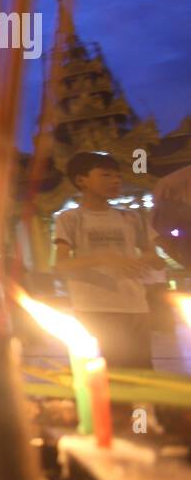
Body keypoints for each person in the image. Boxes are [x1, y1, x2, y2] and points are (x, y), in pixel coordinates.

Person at [53, 151, 163, 369]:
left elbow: (155, 258)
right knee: (105, 375)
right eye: (106, 175)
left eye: (118, 176)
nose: (115, 181)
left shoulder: (132, 217)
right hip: (93, 308)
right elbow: (61, 265)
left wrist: (149, 260)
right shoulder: (70, 218)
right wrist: (104, 258)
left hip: (135, 307)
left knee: (142, 373)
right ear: (81, 180)